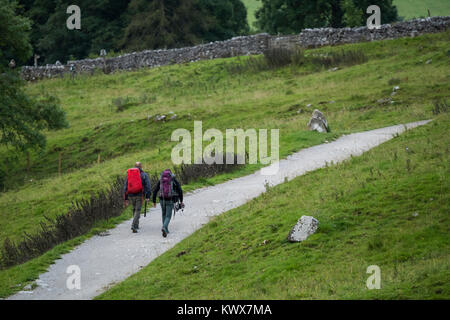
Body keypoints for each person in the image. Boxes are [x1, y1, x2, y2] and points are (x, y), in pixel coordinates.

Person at [152, 169, 183, 238]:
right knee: (168, 216)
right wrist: (181, 201)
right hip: (170, 199)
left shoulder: (161, 179)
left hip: (161, 199)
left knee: (163, 214)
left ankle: (166, 229)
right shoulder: (173, 179)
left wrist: (154, 201)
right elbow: (180, 190)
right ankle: (164, 227)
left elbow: (155, 190)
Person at [123, 162, 151, 233]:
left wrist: (126, 198)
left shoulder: (129, 174)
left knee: (134, 208)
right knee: (138, 210)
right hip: (139, 195)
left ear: (134, 166)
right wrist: (148, 196)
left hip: (131, 194)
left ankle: (136, 224)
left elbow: (125, 186)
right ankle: (133, 225)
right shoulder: (144, 174)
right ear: (141, 167)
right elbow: (148, 186)